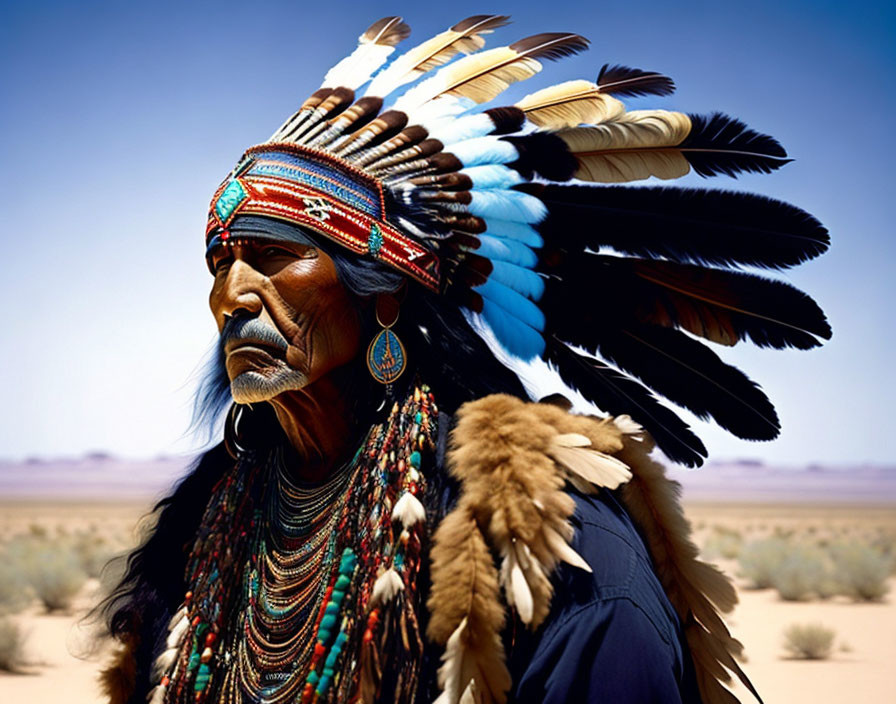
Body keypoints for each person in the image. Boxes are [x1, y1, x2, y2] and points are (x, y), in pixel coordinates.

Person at [99, 14, 829, 704]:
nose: (231, 296)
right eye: (218, 266)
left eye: (271, 257)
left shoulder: (550, 542)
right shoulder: (209, 522)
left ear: (381, 294)